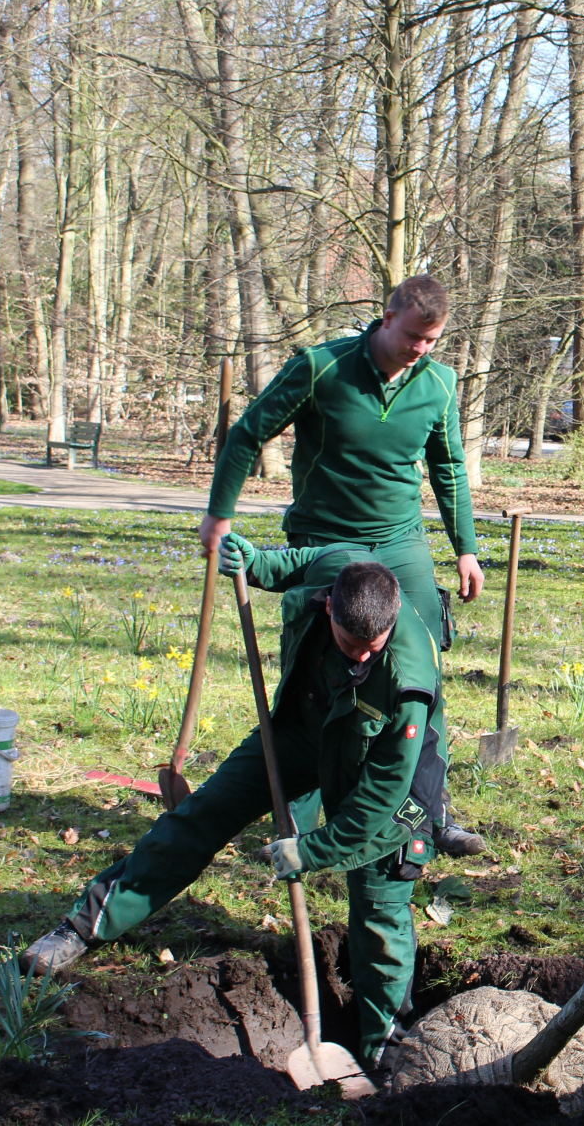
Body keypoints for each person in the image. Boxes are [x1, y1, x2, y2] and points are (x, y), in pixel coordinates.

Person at [21, 539, 448, 1073]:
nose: (361, 655)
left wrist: (312, 850)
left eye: (373, 645)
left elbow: (381, 793)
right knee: (203, 814)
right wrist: (250, 561)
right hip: (301, 733)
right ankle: (85, 924)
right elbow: (289, 563)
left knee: (378, 907)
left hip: (385, 779)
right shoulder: (336, 568)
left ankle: (384, 1048)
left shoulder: (407, 679)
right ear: (329, 607)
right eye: (349, 641)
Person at [200, 273, 483, 857]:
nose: (420, 351)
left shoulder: (439, 384)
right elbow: (249, 433)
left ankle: (430, 815)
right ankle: (297, 822)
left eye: (432, 341)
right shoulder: (320, 368)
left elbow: (449, 468)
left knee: (421, 676)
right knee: (313, 675)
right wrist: (219, 515)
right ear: (386, 318)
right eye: (413, 337)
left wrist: (465, 548)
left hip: (401, 544)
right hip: (324, 541)